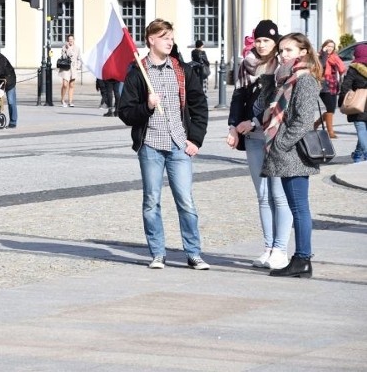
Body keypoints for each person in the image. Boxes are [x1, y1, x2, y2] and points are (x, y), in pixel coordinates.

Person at [117, 19, 209, 270]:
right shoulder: (138, 71)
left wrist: (195, 139)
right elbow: (124, 112)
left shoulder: (181, 70)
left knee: (186, 200)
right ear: (151, 40)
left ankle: (193, 253)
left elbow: (199, 105)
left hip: (179, 144)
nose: (170, 41)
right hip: (151, 146)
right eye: (164, 37)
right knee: (151, 200)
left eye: (171, 37)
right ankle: (158, 253)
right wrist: (146, 106)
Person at [226, 20, 291, 270]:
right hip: (252, 137)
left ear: (275, 42)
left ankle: (281, 249)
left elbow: (278, 103)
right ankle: (268, 248)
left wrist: (253, 121)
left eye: (267, 40)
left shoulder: (282, 66)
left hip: (275, 135)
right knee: (263, 195)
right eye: (259, 40)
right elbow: (238, 96)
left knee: (279, 195)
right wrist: (234, 125)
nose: (262, 45)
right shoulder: (247, 65)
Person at [262, 32, 323, 278]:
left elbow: (303, 121)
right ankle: (301, 259)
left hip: (294, 154)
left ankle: (303, 259)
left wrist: (280, 145)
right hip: (287, 154)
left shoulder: (305, 80)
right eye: (281, 51)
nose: (283, 54)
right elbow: (267, 104)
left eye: (288, 50)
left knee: (299, 208)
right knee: (296, 206)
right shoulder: (286, 78)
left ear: (303, 52)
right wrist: (269, 74)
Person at [338, 43, 367, 163]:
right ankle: (358, 154)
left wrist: (341, 103)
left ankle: (365, 154)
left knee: (361, 129)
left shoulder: (353, 69)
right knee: (365, 132)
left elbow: (345, 87)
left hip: (358, 103)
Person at [318, 39, 346, 138]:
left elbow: (342, 68)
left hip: (333, 85)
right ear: (324, 46)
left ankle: (316, 123)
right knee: (329, 107)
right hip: (323, 85)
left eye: (332, 46)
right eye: (328, 46)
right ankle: (330, 132)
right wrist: (324, 53)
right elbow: (322, 65)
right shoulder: (319, 56)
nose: (330, 48)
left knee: (332, 109)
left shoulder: (335, 57)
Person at [59, 34, 81, 107]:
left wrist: (78, 66)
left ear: (74, 40)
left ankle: (70, 101)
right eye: (69, 39)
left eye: (72, 39)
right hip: (66, 67)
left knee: (71, 85)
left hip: (73, 68)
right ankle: (62, 100)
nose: (70, 41)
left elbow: (78, 58)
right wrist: (68, 48)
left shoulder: (77, 48)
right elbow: (65, 56)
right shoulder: (64, 48)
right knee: (65, 84)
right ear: (67, 40)